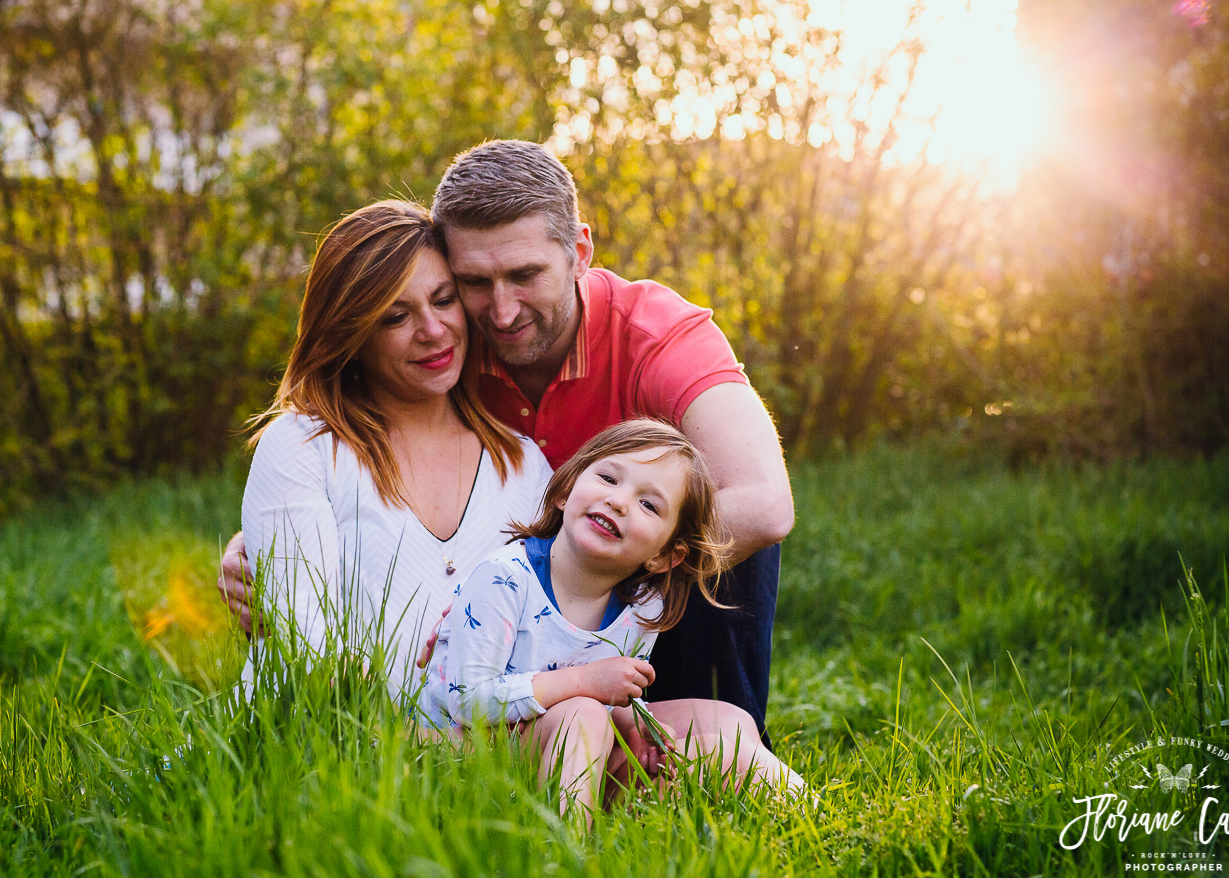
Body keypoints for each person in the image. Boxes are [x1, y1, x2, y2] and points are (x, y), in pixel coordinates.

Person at [222, 140, 794, 742]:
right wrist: (269, 535)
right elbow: (344, 459)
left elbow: (765, 501)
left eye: (525, 276)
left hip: (631, 595)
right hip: (502, 655)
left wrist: (603, 560)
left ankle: (713, 737)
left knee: (706, 524)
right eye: (472, 282)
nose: (500, 312)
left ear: (579, 252)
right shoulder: (447, 354)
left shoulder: (657, 337)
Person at [419, 420, 806, 822]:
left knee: (729, 720)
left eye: (649, 505)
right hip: (461, 750)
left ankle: (826, 817)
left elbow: (613, 698)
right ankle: (567, 850)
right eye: (608, 478)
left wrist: (635, 725)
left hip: (561, 744)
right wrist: (585, 684)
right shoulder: (504, 579)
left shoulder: (642, 608)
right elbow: (467, 701)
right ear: (566, 491)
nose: (619, 501)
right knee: (581, 714)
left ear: (665, 556)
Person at [242, 200, 552, 694]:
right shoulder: (304, 448)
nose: (432, 331)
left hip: (483, 754)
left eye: (444, 299)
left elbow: (549, 642)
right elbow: (307, 655)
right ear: (352, 333)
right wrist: (431, 746)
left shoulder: (522, 465)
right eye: (395, 317)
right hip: (317, 752)